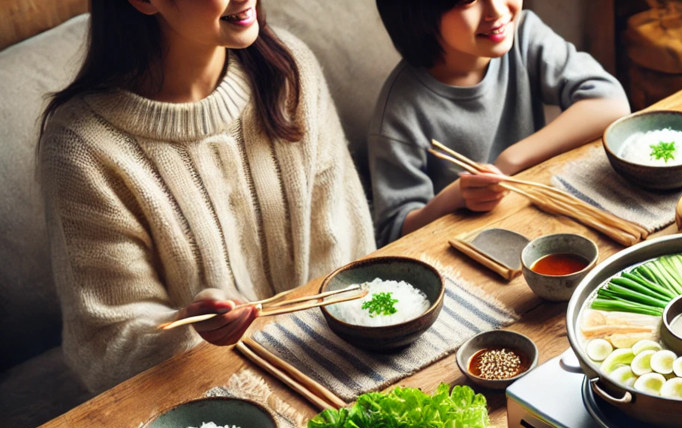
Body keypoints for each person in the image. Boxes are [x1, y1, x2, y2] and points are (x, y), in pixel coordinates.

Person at [40, 0, 374, 393]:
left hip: (341, 361)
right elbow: (106, 344)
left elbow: (350, 253)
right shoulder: (83, 146)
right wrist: (189, 331)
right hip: (208, 408)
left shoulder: (288, 69)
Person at [368, 0, 629, 246]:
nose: (496, 10)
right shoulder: (400, 112)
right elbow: (394, 235)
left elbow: (610, 102)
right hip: (469, 251)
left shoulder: (522, 34)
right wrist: (456, 197)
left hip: (540, 221)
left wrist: (509, 161)